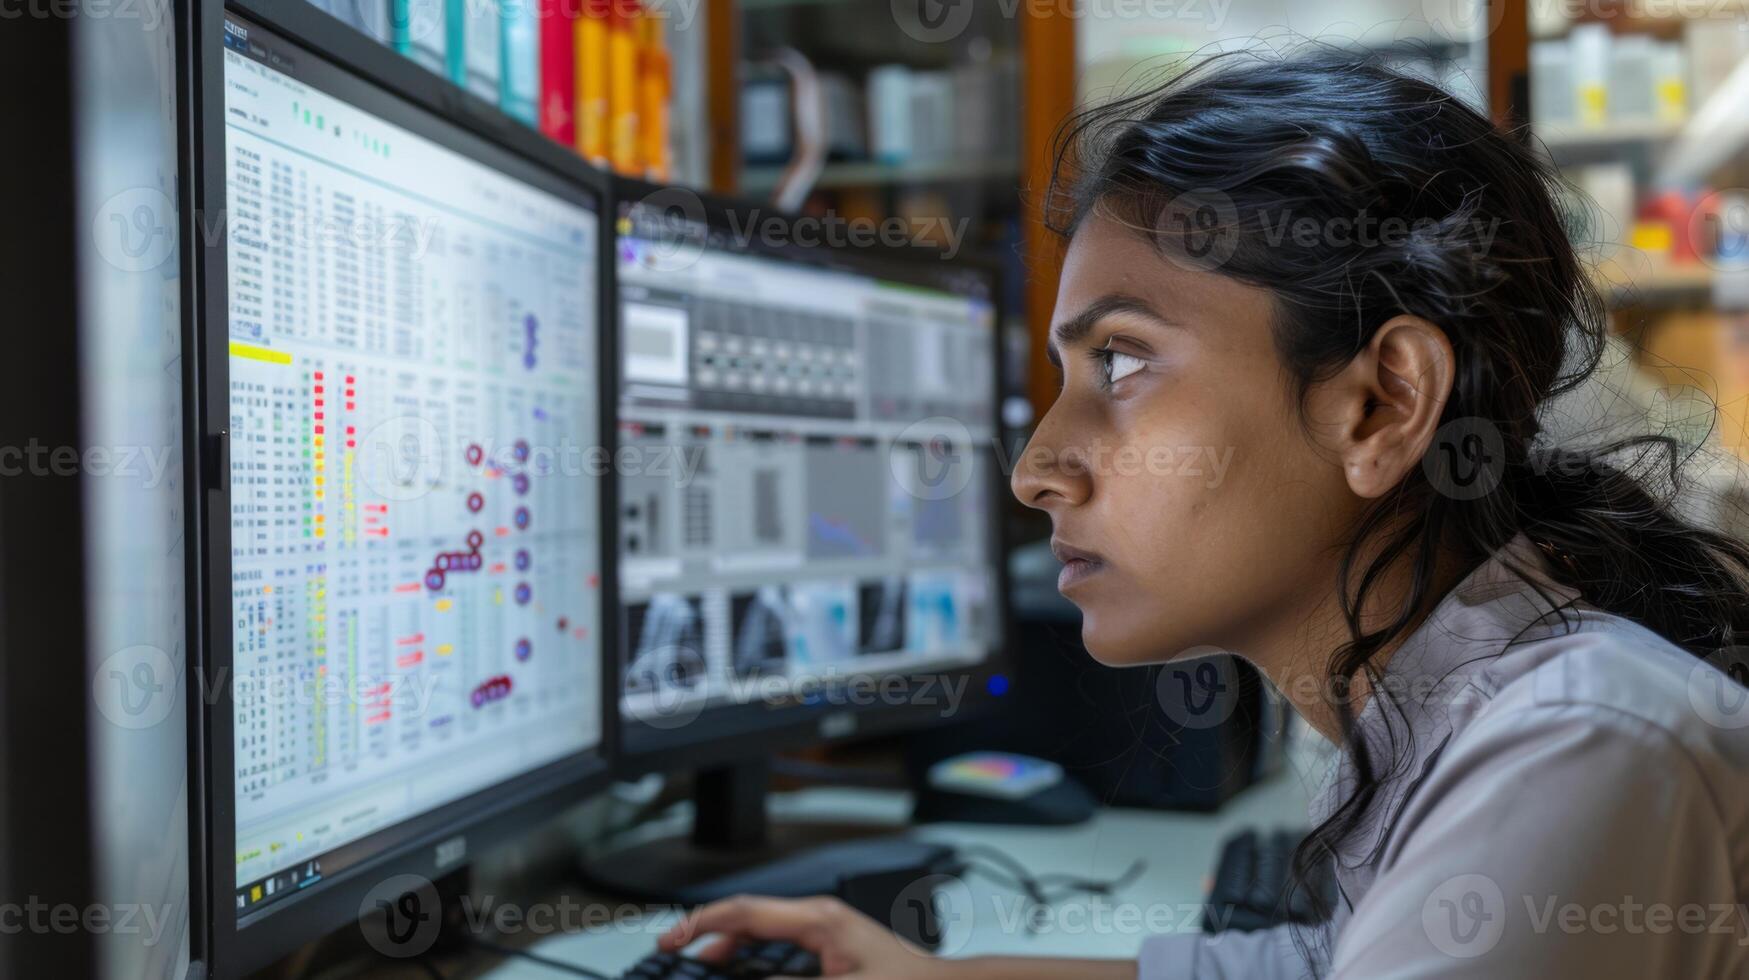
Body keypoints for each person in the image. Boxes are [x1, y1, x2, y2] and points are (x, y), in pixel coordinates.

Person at [656, 47, 1749, 978]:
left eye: (1122, 361)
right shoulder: (1480, 706)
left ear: (1381, 404)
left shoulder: (1580, 747)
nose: (1037, 467)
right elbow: (1314, 961)